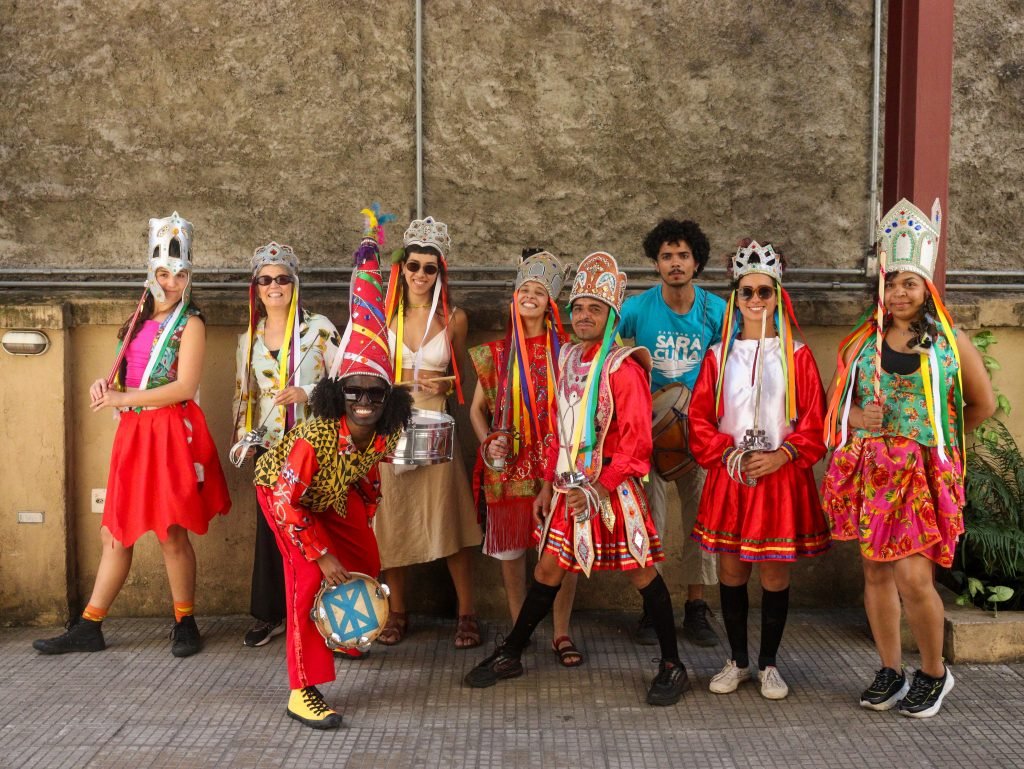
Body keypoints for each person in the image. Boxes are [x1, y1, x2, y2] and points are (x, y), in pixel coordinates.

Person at [464, 251, 691, 707]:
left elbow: (636, 445)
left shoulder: (624, 368)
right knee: (548, 568)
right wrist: (549, 485)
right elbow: (557, 432)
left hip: (612, 491)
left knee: (643, 574)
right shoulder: (567, 357)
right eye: (579, 307)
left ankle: (672, 664)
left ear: (611, 315)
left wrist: (601, 488)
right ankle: (511, 652)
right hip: (569, 490)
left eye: (595, 309)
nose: (584, 315)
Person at [822, 199, 995, 718]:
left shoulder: (951, 342)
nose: (898, 293)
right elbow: (838, 405)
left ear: (927, 288)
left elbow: (980, 404)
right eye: (891, 282)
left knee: (915, 578)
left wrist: (936, 441)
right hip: (872, 473)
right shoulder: (862, 341)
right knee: (875, 575)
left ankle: (935, 675)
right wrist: (856, 420)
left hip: (919, 476)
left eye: (909, 284)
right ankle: (891, 670)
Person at [33, 212, 231, 658]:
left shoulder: (191, 322)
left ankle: (185, 621)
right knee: (116, 533)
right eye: (163, 272)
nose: (172, 281)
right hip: (133, 433)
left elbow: (183, 386)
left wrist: (123, 400)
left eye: (180, 274)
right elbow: (125, 380)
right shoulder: (138, 316)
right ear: (151, 272)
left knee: (170, 532)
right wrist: (106, 387)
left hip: (167, 431)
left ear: (188, 275)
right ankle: (90, 625)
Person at [253, 212, 414, 729]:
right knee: (304, 581)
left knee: (366, 553)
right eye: (354, 392)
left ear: (388, 398)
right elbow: (286, 502)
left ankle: (342, 633)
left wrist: (364, 506)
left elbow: (367, 470)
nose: (364, 401)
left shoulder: (386, 428)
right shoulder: (313, 438)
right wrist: (321, 555)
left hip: (330, 495)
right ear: (336, 395)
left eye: (375, 392)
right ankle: (303, 689)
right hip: (286, 498)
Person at [688, 240, 830, 700]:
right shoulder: (717, 356)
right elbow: (698, 420)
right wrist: (728, 455)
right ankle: (737, 661)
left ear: (777, 296)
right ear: (735, 297)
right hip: (732, 479)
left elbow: (814, 420)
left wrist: (783, 455)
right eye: (746, 292)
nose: (754, 301)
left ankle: (769, 663)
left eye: (763, 292)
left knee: (773, 576)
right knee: (731, 574)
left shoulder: (798, 355)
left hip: (779, 480)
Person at [468, 249, 582, 667]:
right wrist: (488, 442)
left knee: (560, 554)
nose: (530, 296)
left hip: (557, 466)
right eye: (524, 290)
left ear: (551, 304)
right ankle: (520, 629)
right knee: (512, 554)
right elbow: (476, 411)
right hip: (510, 466)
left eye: (539, 291)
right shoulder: (496, 354)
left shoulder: (568, 352)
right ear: (513, 299)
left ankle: (563, 631)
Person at [374, 216, 483, 648]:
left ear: (441, 272)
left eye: (429, 268)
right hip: (391, 424)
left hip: (436, 423)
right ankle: (397, 611)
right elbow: (367, 371)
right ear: (401, 268)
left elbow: (460, 377)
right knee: (391, 518)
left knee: (449, 518)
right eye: (413, 265)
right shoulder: (383, 315)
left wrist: (444, 384)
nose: (420, 274)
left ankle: (468, 613)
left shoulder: (454, 318)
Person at [618, 218, 727, 647]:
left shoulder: (716, 311)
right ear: (656, 262)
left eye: (683, 255)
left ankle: (697, 607)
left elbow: (732, 367)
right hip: (648, 434)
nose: (675, 263)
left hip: (700, 433)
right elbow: (603, 333)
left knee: (701, 523)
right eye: (667, 256)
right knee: (651, 524)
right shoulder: (639, 308)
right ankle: (654, 606)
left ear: (696, 261)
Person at [231, 242, 340, 648]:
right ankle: (271, 613)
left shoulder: (321, 329)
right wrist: (243, 441)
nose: (273, 285)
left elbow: (346, 384)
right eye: (265, 279)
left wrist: (307, 392)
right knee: (271, 532)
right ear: (256, 287)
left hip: (315, 448)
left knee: (319, 528)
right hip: (270, 450)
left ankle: (331, 615)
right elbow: (244, 396)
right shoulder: (248, 339)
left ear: (294, 284)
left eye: (281, 278)